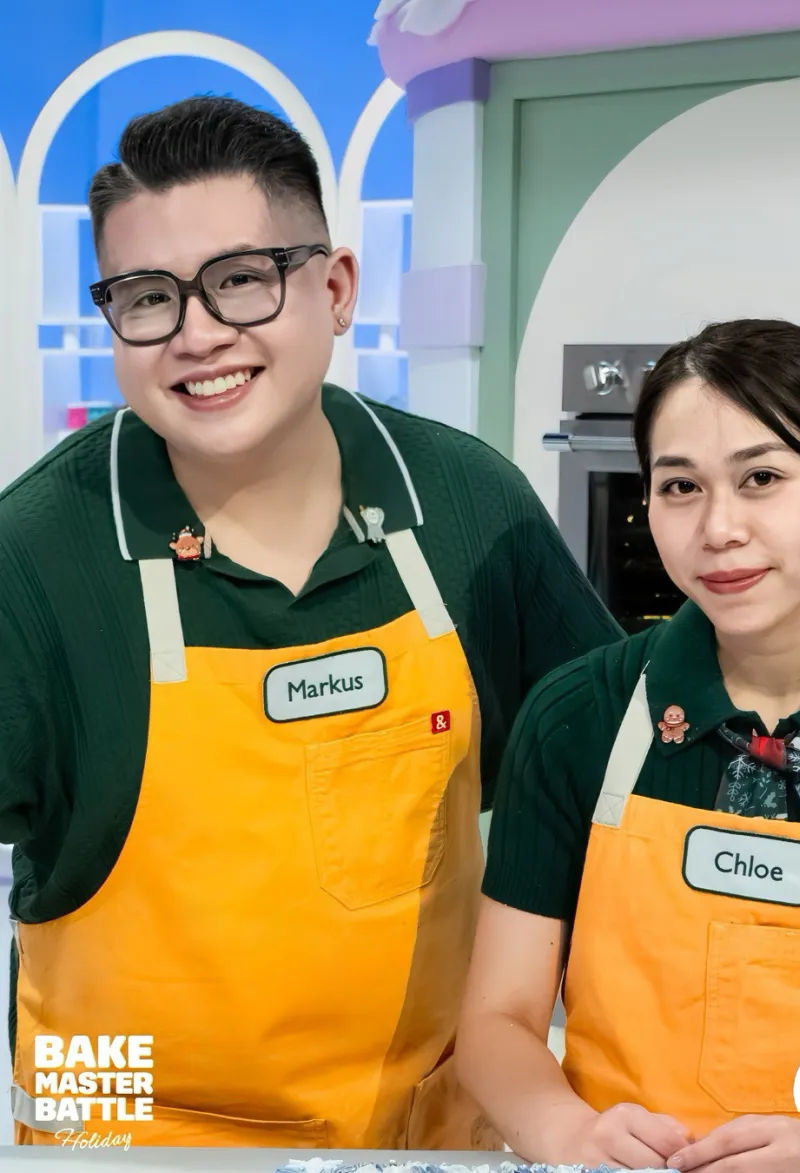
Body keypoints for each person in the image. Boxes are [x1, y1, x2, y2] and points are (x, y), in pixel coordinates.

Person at [1, 95, 630, 1149]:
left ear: (334, 287)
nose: (198, 335)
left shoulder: (466, 506)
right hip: (125, 1145)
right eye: (147, 297)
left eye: (241, 280)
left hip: (416, 1139)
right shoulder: (37, 556)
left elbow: (628, 763)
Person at [456, 320, 800, 1173]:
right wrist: (569, 1132)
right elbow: (496, 1022)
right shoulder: (579, 717)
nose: (718, 528)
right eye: (680, 486)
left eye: (762, 477)